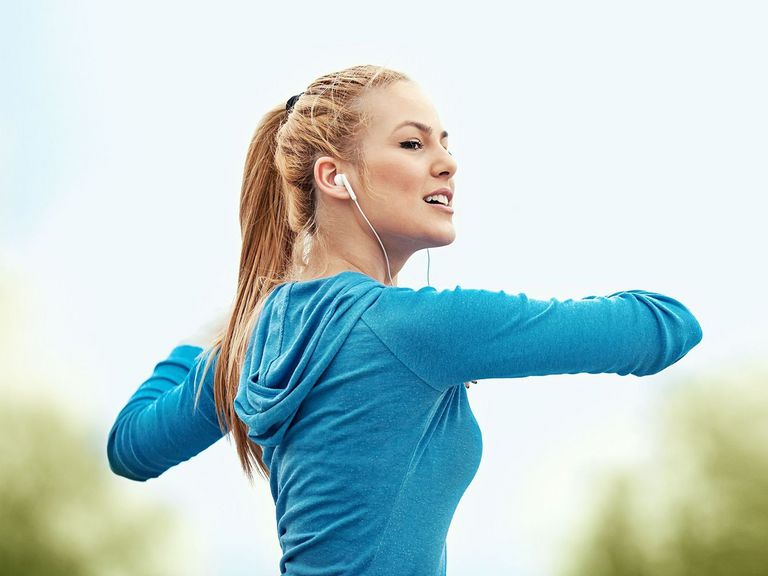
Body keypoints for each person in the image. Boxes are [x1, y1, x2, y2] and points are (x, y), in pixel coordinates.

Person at [106, 64, 703, 575]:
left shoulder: (260, 339)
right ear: (334, 176)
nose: (448, 164)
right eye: (413, 144)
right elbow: (664, 328)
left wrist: (224, 327)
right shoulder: (416, 327)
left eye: (445, 142)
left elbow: (131, 447)